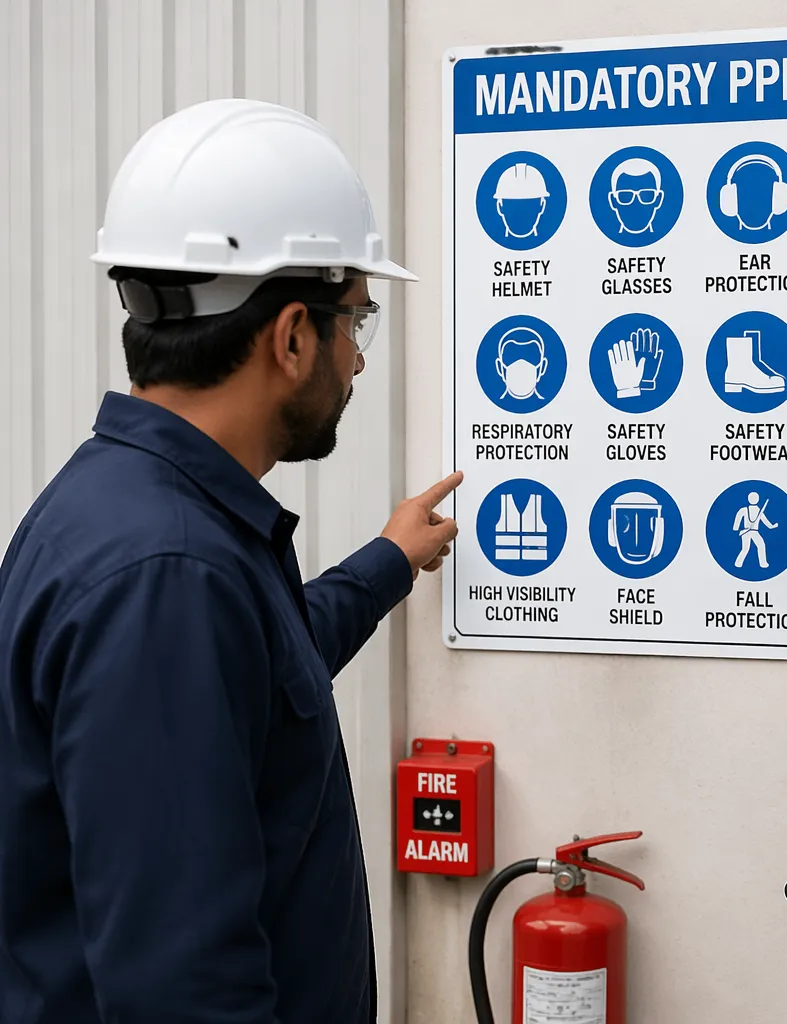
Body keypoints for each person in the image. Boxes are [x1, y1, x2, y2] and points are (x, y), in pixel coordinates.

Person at [0, 98, 459, 1024]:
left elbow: (258, 677)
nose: (358, 363)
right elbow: (183, 987)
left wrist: (388, 560)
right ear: (292, 336)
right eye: (356, 323)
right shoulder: (166, 575)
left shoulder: (139, 518)